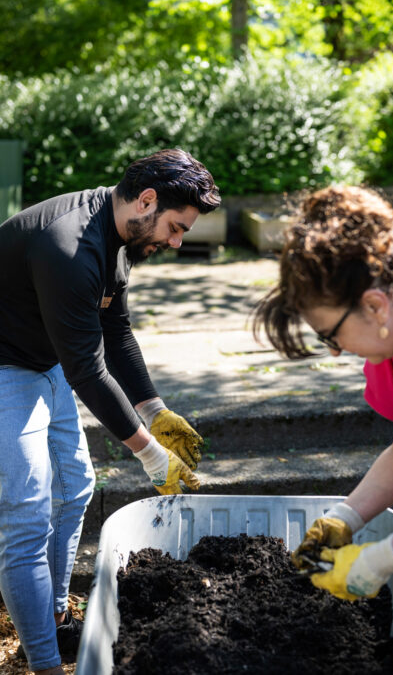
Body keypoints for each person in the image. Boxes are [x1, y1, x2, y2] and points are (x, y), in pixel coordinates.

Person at [0, 148, 220, 675]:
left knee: (74, 487)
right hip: (6, 365)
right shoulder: (68, 247)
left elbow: (114, 331)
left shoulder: (118, 234)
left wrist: (156, 410)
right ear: (146, 200)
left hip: (44, 357)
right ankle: (46, 663)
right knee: (27, 513)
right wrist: (150, 455)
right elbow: (88, 372)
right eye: (174, 226)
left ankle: (51, 614)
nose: (176, 241)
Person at [254, 185, 393, 611]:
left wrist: (384, 558)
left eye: (331, 334)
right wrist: (345, 517)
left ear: (374, 306)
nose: (334, 350)